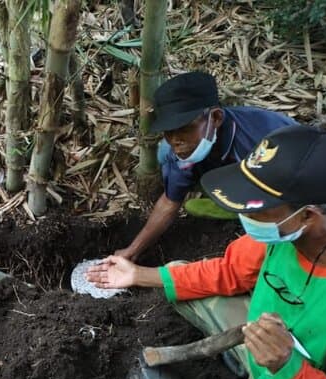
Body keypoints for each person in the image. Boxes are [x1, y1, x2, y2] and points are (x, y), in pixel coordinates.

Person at [87, 125, 326, 379]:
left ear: (308, 215)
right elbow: (229, 271)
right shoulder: (285, 236)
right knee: (180, 273)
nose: (244, 216)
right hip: (260, 341)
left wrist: (286, 367)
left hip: (293, 375)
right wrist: (138, 274)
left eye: (256, 209)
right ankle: (242, 358)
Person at [114, 71, 297, 263]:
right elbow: (169, 202)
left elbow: (296, 201)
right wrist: (132, 251)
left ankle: (242, 209)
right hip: (236, 179)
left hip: (284, 183)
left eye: (185, 128)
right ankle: (233, 204)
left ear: (216, 118)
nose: (176, 140)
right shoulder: (181, 150)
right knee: (165, 155)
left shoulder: (263, 143)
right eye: (169, 131)